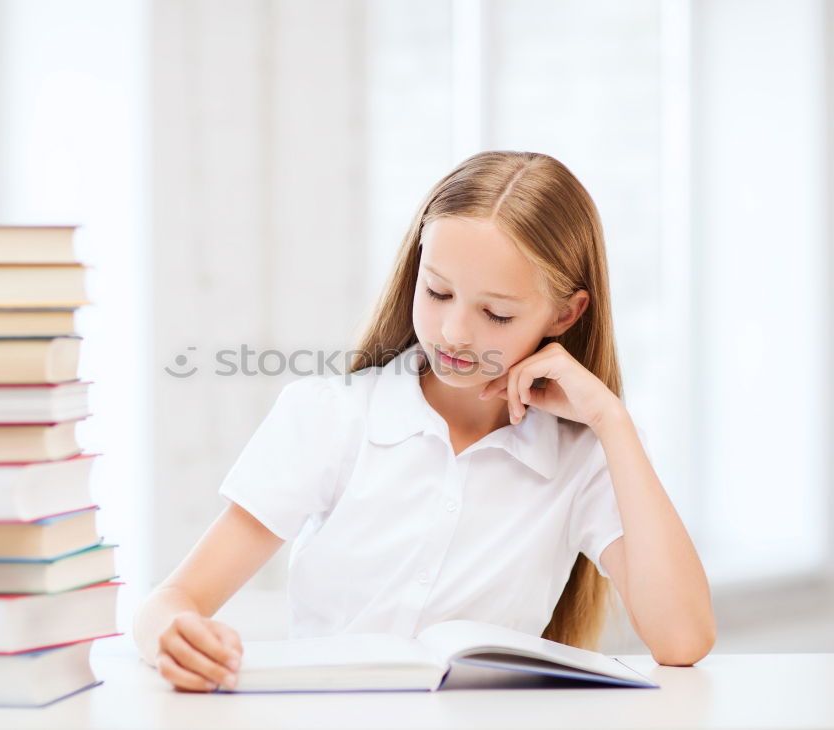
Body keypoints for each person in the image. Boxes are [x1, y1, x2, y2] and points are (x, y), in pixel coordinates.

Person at [133, 150, 716, 692]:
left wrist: (611, 420)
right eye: (437, 292)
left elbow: (682, 639)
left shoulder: (581, 455)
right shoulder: (332, 416)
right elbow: (173, 598)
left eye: (495, 312)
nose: (455, 332)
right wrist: (171, 635)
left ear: (566, 313)